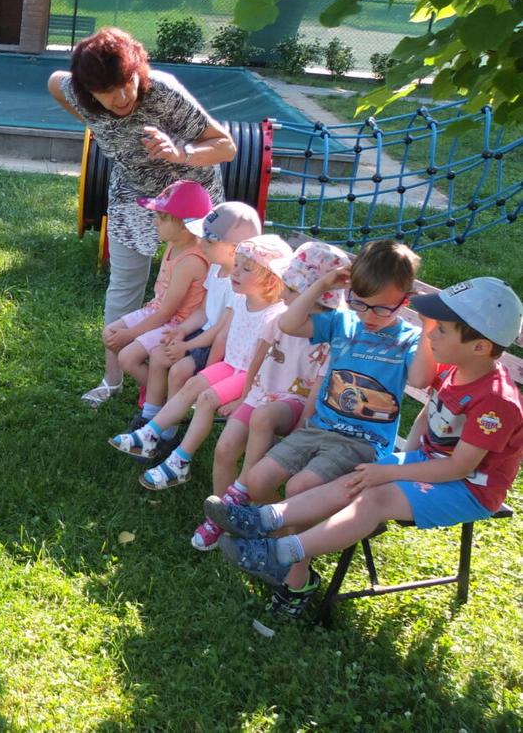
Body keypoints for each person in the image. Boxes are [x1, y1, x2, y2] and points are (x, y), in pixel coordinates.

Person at [212, 277, 523, 602]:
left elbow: (459, 468)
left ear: (480, 347)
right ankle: (264, 518)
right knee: (357, 481)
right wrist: (409, 456)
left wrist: (392, 471)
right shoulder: (454, 368)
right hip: (431, 463)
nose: (430, 334)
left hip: (470, 488)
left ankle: (280, 552)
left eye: (442, 329)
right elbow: (428, 413)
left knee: (377, 498)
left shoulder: (496, 402)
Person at [203, 238, 435, 618]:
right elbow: (288, 322)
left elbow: (424, 378)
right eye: (360, 302)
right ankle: (276, 549)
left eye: (379, 307)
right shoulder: (343, 322)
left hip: (362, 442)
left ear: (403, 302)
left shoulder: (406, 340)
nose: (367, 314)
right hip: (318, 428)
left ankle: (291, 570)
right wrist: (323, 285)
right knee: (258, 479)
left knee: (298, 488)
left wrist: (427, 328)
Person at [49, 27, 237, 407]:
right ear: (89, 91)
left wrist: (179, 151)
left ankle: (207, 376)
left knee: (207, 293)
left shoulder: (163, 93)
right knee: (124, 287)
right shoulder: (79, 92)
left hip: (191, 205)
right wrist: (94, 121)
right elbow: (55, 81)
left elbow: (226, 147)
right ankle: (112, 380)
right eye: (107, 92)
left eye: (127, 83)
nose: (121, 97)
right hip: (133, 197)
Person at [189, 241, 350, 550]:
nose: (283, 291)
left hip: (296, 406)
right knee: (224, 449)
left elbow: (318, 386)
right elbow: (257, 362)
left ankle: (239, 497)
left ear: (312, 294)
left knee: (262, 419)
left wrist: (302, 427)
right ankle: (224, 518)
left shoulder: (329, 334)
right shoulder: (279, 319)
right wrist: (243, 398)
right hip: (261, 395)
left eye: (290, 286)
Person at [113, 235, 292, 492]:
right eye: (237, 265)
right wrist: (208, 369)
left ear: (270, 278)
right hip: (231, 365)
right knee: (193, 385)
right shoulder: (239, 300)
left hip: (251, 375)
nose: (236, 272)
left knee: (207, 398)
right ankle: (150, 433)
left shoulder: (275, 316)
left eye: (246, 268)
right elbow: (221, 334)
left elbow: (264, 365)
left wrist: (241, 399)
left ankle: (180, 460)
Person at [135, 202, 262, 440]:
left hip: (220, 347)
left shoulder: (238, 284)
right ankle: (150, 416)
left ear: (234, 249)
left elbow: (219, 331)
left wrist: (187, 347)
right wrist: (182, 331)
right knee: (158, 355)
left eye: (209, 241)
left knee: (178, 372)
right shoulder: (215, 268)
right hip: (202, 335)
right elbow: (203, 312)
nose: (201, 243)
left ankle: (167, 435)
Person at [103, 180, 211, 396]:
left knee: (127, 357)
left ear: (183, 225)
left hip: (176, 323)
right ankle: (157, 387)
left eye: (161, 217)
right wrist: (127, 333)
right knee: (110, 332)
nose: (155, 222)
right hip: (157, 310)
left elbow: (167, 313)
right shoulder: (174, 243)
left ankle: (164, 400)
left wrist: (131, 334)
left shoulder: (191, 261)